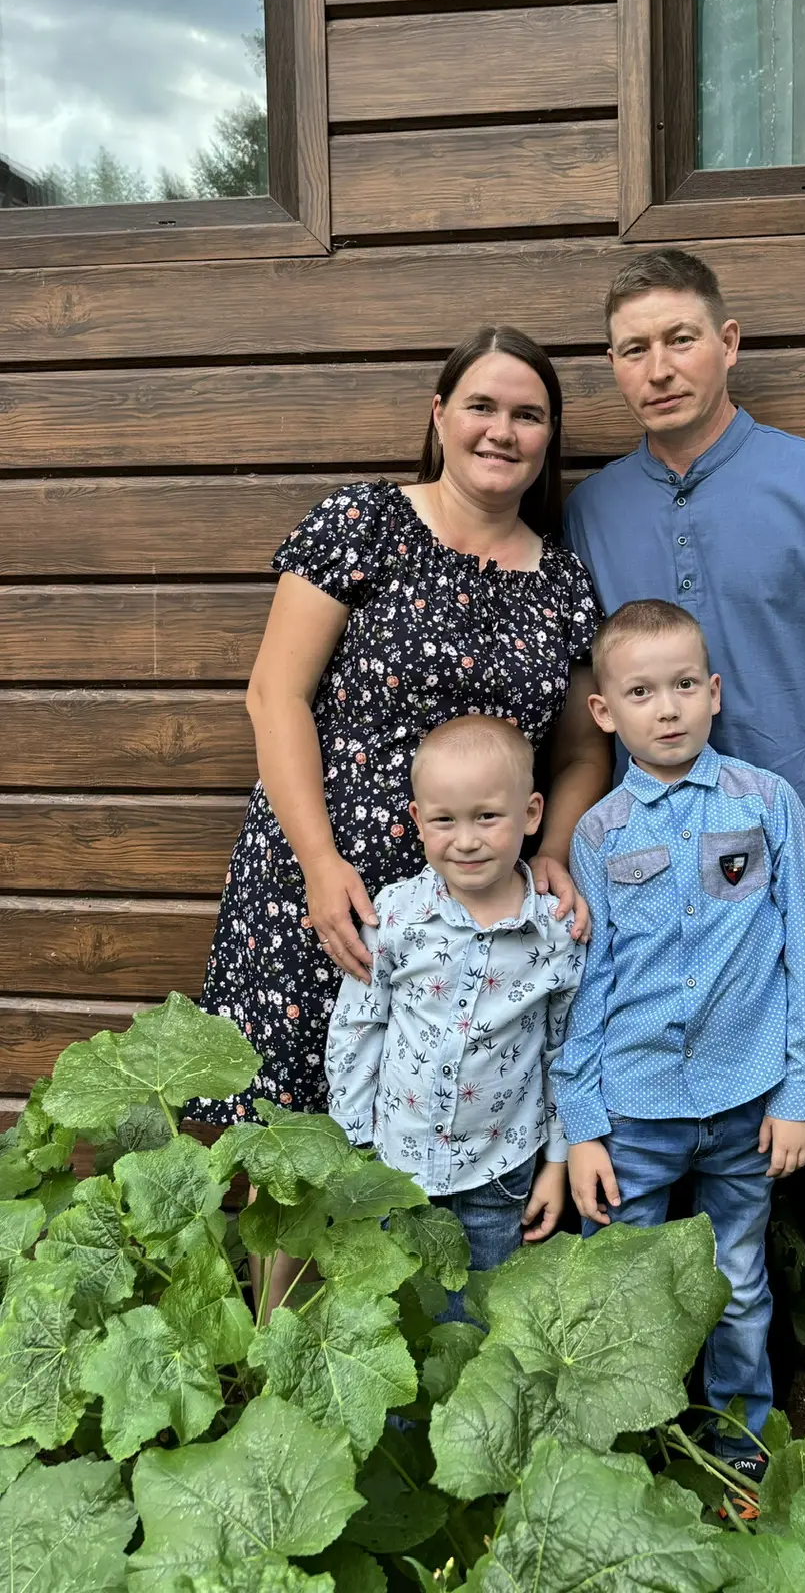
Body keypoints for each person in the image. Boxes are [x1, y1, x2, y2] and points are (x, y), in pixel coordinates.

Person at [564, 248, 805, 1440]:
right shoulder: (591, 510)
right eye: (633, 348)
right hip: (659, 919)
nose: (659, 366)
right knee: (688, 1181)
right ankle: (728, 1428)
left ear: (728, 343)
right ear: (613, 366)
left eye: (681, 337)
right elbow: (583, 706)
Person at [193, 326, 609, 1299]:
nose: (501, 430)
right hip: (329, 884)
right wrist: (318, 863)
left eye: (528, 415)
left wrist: (553, 848)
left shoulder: (562, 583)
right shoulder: (363, 524)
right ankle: (286, 1352)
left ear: (548, 438)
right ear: (439, 414)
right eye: (481, 406)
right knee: (301, 1135)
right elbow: (276, 696)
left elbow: (584, 748)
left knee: (456, 1133)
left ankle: (421, 1363)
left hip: (476, 901)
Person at [552, 600, 805, 1478]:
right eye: (640, 692)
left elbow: (801, 954)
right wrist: (582, 1127)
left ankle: (737, 1453)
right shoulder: (599, 833)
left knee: (738, 1286)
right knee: (622, 1287)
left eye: (682, 686)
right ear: (605, 712)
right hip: (632, 1114)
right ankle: (624, 1455)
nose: (665, 709)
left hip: (747, 1104)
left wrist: (800, 1093)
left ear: (713, 692)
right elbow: (585, 987)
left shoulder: (768, 804)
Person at [326, 715, 582, 1294]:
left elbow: (565, 1051)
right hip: (394, 1165)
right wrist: (352, 1147)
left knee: (477, 1318)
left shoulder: (556, 932)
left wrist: (558, 1162)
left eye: (487, 817)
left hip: (500, 1172)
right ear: (418, 820)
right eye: (445, 820)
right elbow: (358, 1028)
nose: (466, 840)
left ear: (532, 814)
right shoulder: (395, 916)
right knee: (394, 1309)